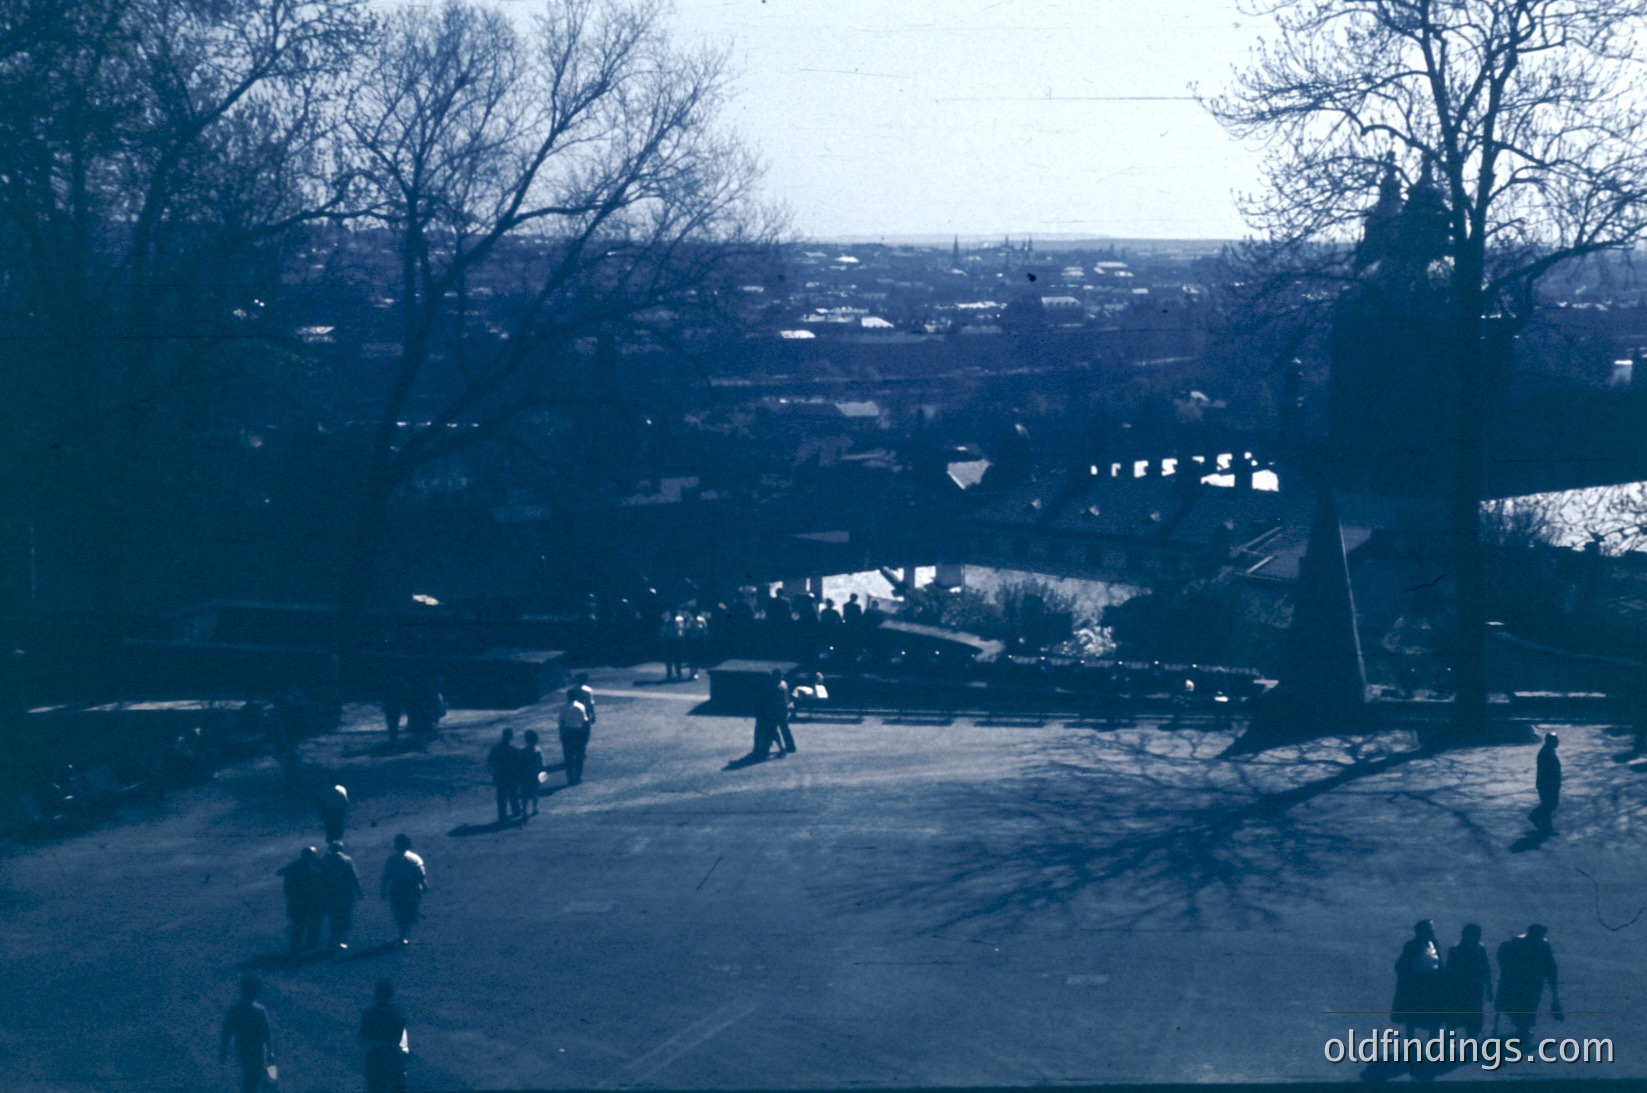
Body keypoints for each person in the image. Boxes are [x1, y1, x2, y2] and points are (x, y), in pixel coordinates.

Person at [1496, 925, 1561, 1037]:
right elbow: (1504, 959)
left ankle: (1523, 1028)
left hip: (1534, 981)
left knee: (1530, 1004)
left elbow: (1550, 967)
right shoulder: (1517, 944)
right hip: (1519, 980)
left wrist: (1553, 985)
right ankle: (1522, 1028)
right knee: (1520, 1003)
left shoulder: (1543, 946)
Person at [219, 974, 274, 1093]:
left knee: (250, 1073)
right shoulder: (259, 1011)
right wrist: (270, 1052)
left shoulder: (235, 1010)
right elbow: (266, 1034)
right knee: (255, 1074)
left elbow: (227, 1031)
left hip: (242, 1046)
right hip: (256, 1047)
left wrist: (223, 1049)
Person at [1391, 919, 1443, 1035]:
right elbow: (1401, 966)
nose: (1432, 932)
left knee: (1434, 1016)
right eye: (1429, 930)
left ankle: (1433, 1045)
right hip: (1417, 984)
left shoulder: (1434, 944)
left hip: (1433, 984)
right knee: (1413, 1016)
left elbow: (1439, 964)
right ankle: (1410, 1044)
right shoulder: (1411, 946)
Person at [1443, 923, 1493, 1038]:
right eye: (1475, 935)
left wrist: (1489, 987)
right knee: (1454, 1017)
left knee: (1473, 1018)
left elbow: (1486, 968)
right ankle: (1450, 1042)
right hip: (1458, 989)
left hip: (1475, 989)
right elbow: (1449, 971)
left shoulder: (1480, 949)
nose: (1478, 937)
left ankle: (1471, 1042)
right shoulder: (1455, 950)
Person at [361, 979, 409, 1093]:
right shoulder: (398, 1014)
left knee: (375, 1087)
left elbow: (363, 1036)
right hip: (393, 1057)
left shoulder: (368, 1014)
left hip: (375, 1057)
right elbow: (402, 1040)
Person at [380, 834, 428, 947]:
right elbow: (420, 874)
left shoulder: (392, 859)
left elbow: (386, 876)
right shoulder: (415, 858)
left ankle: (403, 936)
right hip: (411, 887)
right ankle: (407, 929)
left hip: (397, 888)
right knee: (409, 908)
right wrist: (424, 885)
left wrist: (383, 890)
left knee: (399, 912)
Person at [277, 846, 324, 956]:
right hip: (311, 901)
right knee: (313, 923)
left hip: (296, 902)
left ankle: (295, 947)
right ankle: (311, 944)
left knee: (298, 925)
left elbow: (280, 872)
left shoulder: (295, 866)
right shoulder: (313, 868)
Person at [320, 840, 364, 953]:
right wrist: (359, 892)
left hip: (330, 893)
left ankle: (332, 940)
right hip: (345, 894)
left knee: (333, 917)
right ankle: (340, 941)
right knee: (345, 917)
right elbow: (354, 877)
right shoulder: (347, 860)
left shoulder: (325, 861)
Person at [1529, 732, 1561, 836]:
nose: (1558, 742)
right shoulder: (1546, 752)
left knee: (1549, 805)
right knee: (1548, 805)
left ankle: (1546, 828)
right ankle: (1535, 817)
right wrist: (1552, 784)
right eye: (1556, 740)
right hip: (1547, 784)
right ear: (1550, 741)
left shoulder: (1549, 751)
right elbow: (1546, 771)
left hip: (1550, 783)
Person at [558, 688, 592, 785]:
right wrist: (585, 736)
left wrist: (561, 734)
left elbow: (561, 722)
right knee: (579, 755)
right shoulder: (581, 707)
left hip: (567, 733)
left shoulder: (563, 708)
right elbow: (585, 721)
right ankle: (578, 776)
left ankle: (570, 777)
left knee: (568, 756)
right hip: (578, 732)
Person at [487, 729, 522, 822]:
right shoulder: (514, 750)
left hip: (500, 775)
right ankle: (516, 810)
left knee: (501, 796)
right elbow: (519, 763)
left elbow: (491, 762)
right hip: (511, 776)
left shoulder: (495, 749)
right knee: (513, 794)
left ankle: (502, 814)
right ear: (511, 737)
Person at [768, 669, 795, 755]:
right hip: (784, 709)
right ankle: (790, 746)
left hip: (777, 710)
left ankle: (780, 747)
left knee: (773, 729)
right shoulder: (784, 684)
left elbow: (773, 700)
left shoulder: (776, 686)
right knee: (785, 729)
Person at [519, 730, 545, 816]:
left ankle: (524, 811)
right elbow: (541, 764)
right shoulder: (537, 751)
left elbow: (519, 764)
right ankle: (535, 808)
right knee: (535, 792)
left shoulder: (522, 752)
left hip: (524, 774)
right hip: (534, 774)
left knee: (524, 794)